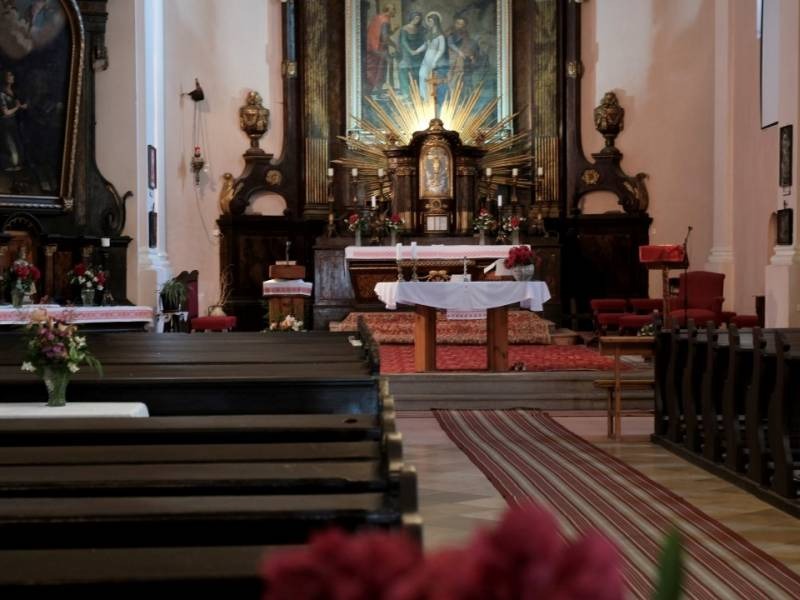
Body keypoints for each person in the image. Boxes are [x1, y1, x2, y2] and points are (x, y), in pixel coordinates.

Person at [365, 4, 397, 96]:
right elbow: (385, 38)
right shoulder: (385, 21)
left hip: (371, 47)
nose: (395, 12)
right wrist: (395, 45)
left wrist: (394, 30)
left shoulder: (378, 17)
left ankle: (377, 88)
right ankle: (390, 88)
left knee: (375, 69)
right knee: (385, 66)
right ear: (388, 10)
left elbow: (380, 33)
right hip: (379, 48)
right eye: (393, 9)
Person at [418, 12, 449, 107]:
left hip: (435, 59)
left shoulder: (440, 36)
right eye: (428, 21)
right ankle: (424, 98)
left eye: (431, 21)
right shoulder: (429, 35)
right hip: (426, 59)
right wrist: (416, 51)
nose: (429, 23)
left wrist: (435, 61)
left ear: (436, 22)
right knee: (422, 75)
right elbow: (425, 45)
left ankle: (433, 100)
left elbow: (441, 49)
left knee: (432, 79)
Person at [0, 70, 28, 172]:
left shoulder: (13, 91)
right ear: (4, 78)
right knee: (9, 145)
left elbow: (18, 105)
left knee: (17, 143)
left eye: (12, 75)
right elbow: (6, 112)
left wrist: (23, 106)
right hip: (5, 123)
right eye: (10, 75)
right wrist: (17, 107)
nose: (13, 77)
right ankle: (10, 165)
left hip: (13, 122)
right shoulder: (1, 94)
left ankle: (18, 164)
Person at [448, 17, 479, 94]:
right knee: (452, 77)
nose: (460, 25)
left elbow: (467, 45)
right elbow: (450, 44)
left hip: (462, 58)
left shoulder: (465, 34)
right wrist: (459, 52)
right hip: (452, 57)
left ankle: (462, 93)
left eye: (462, 24)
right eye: (458, 23)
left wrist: (470, 54)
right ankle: (452, 93)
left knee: (463, 77)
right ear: (455, 23)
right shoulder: (450, 32)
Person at [398, 11, 425, 98]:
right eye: (416, 18)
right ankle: (406, 93)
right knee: (404, 70)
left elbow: (424, 40)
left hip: (418, 54)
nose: (417, 20)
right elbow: (403, 42)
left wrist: (417, 51)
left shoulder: (420, 29)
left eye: (419, 18)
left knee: (417, 72)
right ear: (412, 17)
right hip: (407, 53)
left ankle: (417, 93)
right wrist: (410, 51)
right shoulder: (404, 29)